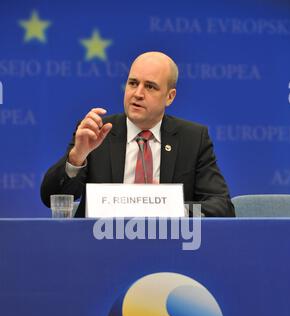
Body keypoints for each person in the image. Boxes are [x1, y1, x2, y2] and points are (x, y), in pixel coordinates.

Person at [40, 51, 235, 217]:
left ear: (170, 96)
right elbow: (51, 198)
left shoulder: (192, 139)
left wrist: (173, 208)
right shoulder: (97, 132)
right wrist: (77, 156)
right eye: (133, 83)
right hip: (99, 246)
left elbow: (223, 207)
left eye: (150, 86)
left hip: (169, 247)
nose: (138, 93)